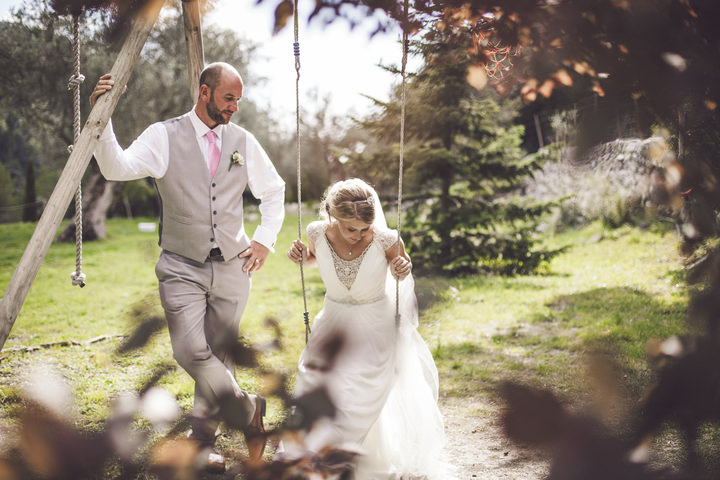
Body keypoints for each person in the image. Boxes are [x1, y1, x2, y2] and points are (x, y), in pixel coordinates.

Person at [90, 62, 285, 472]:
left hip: (234, 266)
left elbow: (274, 190)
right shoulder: (164, 135)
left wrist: (265, 240)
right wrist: (102, 117)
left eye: (238, 100)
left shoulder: (243, 141)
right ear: (204, 92)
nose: (234, 108)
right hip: (181, 265)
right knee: (190, 349)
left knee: (218, 355)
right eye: (228, 98)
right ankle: (250, 408)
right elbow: (115, 167)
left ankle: (204, 439)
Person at [284, 178, 451, 479]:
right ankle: (317, 455)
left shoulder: (386, 239)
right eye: (351, 229)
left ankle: (345, 457)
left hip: (374, 323)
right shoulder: (316, 232)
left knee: (359, 391)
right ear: (332, 217)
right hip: (333, 319)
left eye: (365, 228)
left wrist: (402, 269)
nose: (359, 235)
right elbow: (313, 258)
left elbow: (403, 269)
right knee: (318, 382)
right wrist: (301, 257)